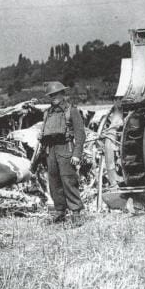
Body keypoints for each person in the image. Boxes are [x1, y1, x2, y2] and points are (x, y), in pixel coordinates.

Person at [39, 82, 86, 223]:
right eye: (50, 95)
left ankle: (76, 213)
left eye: (55, 94)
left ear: (62, 94)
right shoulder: (47, 113)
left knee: (69, 181)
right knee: (54, 182)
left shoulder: (72, 111)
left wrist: (77, 154)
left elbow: (80, 134)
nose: (53, 97)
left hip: (66, 148)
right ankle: (60, 212)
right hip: (51, 150)